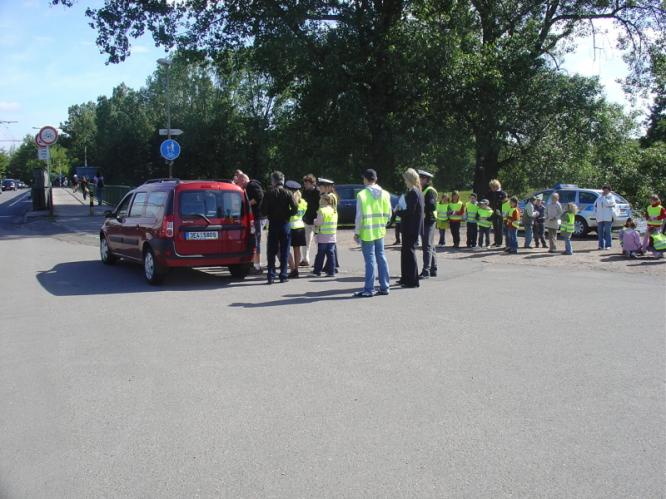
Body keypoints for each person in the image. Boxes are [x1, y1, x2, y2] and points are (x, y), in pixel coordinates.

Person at [353, 169, 391, 297]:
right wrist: (382, 224)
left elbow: (359, 217)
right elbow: (388, 214)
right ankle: (385, 286)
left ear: (365, 179)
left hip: (367, 232)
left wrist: (357, 232)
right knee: (381, 257)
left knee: (370, 261)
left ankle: (369, 289)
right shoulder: (385, 194)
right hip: (379, 230)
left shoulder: (362, 195)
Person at [261, 171, 297, 284]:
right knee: (285, 250)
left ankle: (271, 276)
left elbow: (263, 211)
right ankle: (283, 275)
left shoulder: (268, 193)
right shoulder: (288, 193)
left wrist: (270, 214)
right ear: (283, 181)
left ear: (273, 181)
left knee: (271, 251)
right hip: (285, 224)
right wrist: (287, 214)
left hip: (273, 224)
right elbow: (295, 208)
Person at [395, 168, 424, 288]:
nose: (405, 181)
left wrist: (397, 211)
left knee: (409, 253)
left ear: (410, 179)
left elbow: (409, 211)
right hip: (409, 227)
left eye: (406, 179)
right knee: (405, 252)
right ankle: (405, 278)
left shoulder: (414, 192)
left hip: (411, 228)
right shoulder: (413, 191)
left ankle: (412, 281)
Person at [235, 173, 265, 273]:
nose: (238, 184)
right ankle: (255, 264)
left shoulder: (252, 185)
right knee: (254, 241)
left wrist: (246, 205)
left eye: (238, 182)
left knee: (256, 242)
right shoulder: (249, 186)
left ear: (243, 180)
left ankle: (258, 266)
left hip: (257, 218)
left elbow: (259, 196)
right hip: (255, 218)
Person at [286, 180, 307, 278]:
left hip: (290, 226)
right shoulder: (303, 202)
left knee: (285, 248)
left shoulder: (289, 201)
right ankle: (296, 269)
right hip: (300, 226)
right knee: (297, 250)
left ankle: (292, 267)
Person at [312, 193, 338, 276]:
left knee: (320, 254)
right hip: (332, 235)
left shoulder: (322, 210)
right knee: (331, 254)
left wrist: (314, 221)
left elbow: (319, 222)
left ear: (325, 200)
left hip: (323, 235)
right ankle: (331, 271)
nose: (320, 201)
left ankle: (317, 271)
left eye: (321, 199)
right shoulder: (334, 211)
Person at [418, 170, 438, 278]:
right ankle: (433, 268)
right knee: (430, 245)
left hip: (429, 220)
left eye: (420, 178)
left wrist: (421, 208)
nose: (418, 180)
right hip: (426, 220)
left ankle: (426, 270)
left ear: (425, 179)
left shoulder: (430, 191)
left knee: (427, 245)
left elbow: (432, 206)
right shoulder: (424, 189)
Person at [300, 174, 320, 266]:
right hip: (306, 219)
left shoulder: (317, 191)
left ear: (312, 183)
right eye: (305, 183)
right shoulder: (304, 191)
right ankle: (305, 259)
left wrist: (318, 218)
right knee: (305, 241)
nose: (305, 185)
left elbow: (320, 206)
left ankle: (318, 261)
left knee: (318, 241)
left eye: (307, 183)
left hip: (316, 220)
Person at [593, 184, 616, 250]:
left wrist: (604, 197)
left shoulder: (611, 197)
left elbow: (608, 204)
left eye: (606, 190)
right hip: (600, 217)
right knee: (600, 232)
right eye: (604, 190)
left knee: (607, 232)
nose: (605, 191)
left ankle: (608, 245)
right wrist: (596, 214)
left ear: (609, 190)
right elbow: (595, 205)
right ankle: (601, 245)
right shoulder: (599, 197)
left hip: (608, 217)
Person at [485, 179, 506, 247]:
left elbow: (505, 202)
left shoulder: (502, 193)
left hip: (500, 212)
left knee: (500, 227)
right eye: (491, 187)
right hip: (493, 211)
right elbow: (487, 200)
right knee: (495, 227)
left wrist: (500, 209)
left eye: (493, 187)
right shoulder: (490, 193)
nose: (492, 188)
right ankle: (496, 241)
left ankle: (499, 242)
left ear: (497, 186)